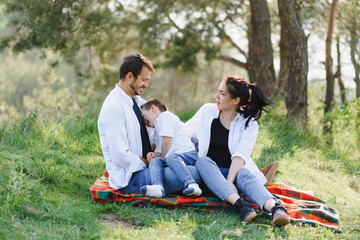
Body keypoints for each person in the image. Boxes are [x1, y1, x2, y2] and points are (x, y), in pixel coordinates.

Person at [185, 75, 290, 226]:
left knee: (245, 175)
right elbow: (185, 132)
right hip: (209, 172)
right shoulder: (207, 112)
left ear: (235, 100)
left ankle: (276, 209)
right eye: (218, 92)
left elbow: (239, 157)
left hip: (233, 172)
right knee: (202, 162)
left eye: (221, 93)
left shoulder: (249, 124)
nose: (216, 97)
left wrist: (230, 181)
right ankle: (241, 204)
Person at [97, 53, 200, 194]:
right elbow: (120, 156)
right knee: (195, 173)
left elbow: (161, 121)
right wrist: (145, 161)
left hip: (153, 163)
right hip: (133, 176)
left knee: (197, 151)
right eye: (144, 80)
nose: (146, 85)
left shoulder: (136, 101)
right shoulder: (114, 108)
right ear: (129, 76)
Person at [139, 98, 202, 198]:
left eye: (144, 115)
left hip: (187, 154)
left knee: (171, 158)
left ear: (153, 108)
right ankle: (158, 187)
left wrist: (162, 156)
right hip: (172, 158)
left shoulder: (166, 117)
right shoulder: (156, 132)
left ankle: (191, 184)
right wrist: (154, 155)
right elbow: (160, 152)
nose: (144, 121)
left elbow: (167, 141)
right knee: (156, 161)